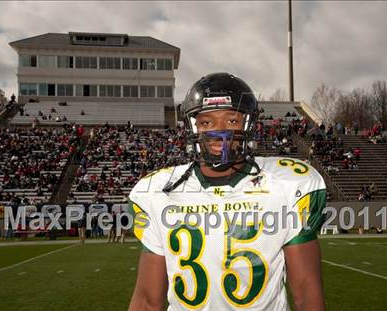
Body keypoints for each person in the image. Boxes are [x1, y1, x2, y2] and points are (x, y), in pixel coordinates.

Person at [128, 73, 326, 310]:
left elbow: (306, 292)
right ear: (192, 127)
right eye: (206, 122)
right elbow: (148, 300)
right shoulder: (158, 192)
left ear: (249, 125)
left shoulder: (287, 186)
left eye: (232, 121)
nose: (218, 133)